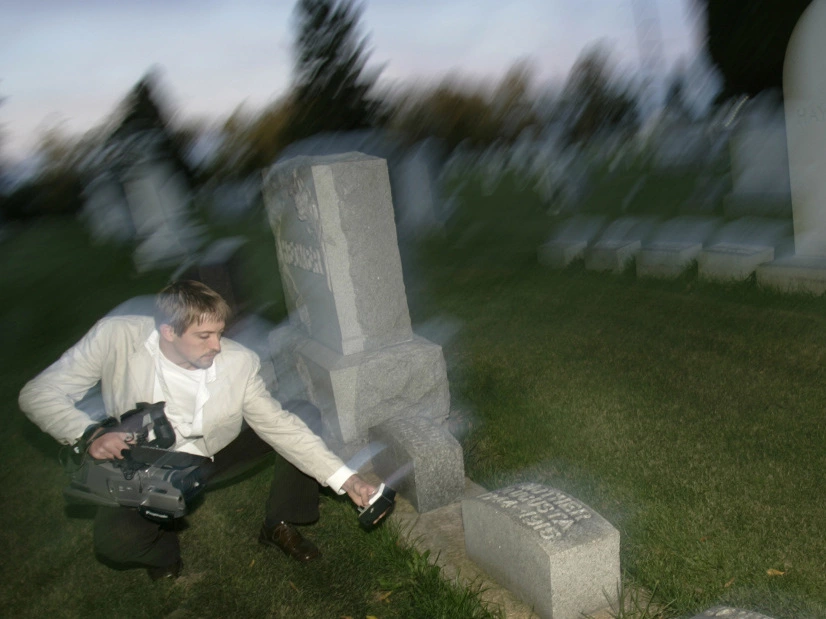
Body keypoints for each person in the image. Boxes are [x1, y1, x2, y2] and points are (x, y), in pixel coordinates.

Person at [19, 280, 379, 580]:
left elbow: (280, 428)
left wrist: (348, 480)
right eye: (204, 336)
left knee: (299, 414)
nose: (217, 346)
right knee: (115, 544)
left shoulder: (239, 362)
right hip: (150, 464)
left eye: (220, 333)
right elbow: (38, 393)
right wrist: (91, 434)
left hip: (216, 451)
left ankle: (280, 523)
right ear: (168, 331)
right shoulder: (116, 337)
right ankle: (164, 553)